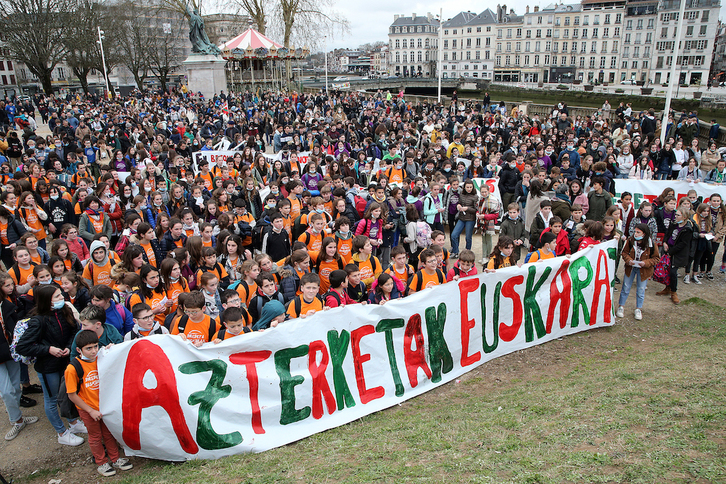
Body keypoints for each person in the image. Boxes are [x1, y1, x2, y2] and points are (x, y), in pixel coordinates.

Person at [15, 284, 86, 446]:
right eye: (57, 297)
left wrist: (69, 347)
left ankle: (73, 422)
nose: (62, 298)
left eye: (61, 295)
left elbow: (75, 330)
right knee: (52, 399)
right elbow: (23, 347)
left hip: (65, 362)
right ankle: (61, 432)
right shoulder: (38, 321)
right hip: (48, 367)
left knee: (68, 393)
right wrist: (48, 349)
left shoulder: (64, 311)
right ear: (47, 301)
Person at [65, 329, 133, 477]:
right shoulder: (72, 368)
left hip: (104, 405)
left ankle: (115, 459)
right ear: (78, 350)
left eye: (95, 346)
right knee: (95, 436)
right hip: (88, 409)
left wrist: (109, 350)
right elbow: (72, 395)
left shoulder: (100, 357)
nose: (93, 351)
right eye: (88, 348)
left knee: (108, 433)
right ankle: (101, 462)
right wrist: (90, 411)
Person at [0, 278, 39, 441]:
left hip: (9, 353)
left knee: (15, 388)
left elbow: (15, 328)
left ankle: (19, 418)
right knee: (7, 391)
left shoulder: (6, 306)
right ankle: (16, 420)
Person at [616, 224, 660, 321]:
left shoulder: (651, 244)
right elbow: (624, 253)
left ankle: (638, 309)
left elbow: (656, 258)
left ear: (644, 234)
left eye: (638, 232)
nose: (635, 234)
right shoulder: (630, 241)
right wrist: (629, 260)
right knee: (626, 287)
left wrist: (646, 263)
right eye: (635, 231)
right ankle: (621, 306)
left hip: (644, 270)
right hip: (631, 268)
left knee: (641, 289)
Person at [658, 208, 694, 305]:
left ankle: (673, 292)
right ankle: (667, 287)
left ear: (684, 217)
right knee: (667, 270)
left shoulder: (687, 229)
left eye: (678, 215)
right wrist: (665, 242)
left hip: (677, 253)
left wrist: (671, 252)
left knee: (673, 272)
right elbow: (668, 234)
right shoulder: (674, 224)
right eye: (676, 215)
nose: (676, 217)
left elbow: (683, 244)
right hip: (668, 249)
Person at [449, 179, 479, 257]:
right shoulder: (461, 195)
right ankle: (455, 251)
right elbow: (459, 203)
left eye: (470, 187)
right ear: (464, 187)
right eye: (467, 187)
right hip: (461, 218)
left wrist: (467, 209)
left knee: (468, 237)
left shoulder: (475, 197)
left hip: (470, 219)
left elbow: (476, 209)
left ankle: (467, 252)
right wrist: (458, 205)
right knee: (454, 235)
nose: (469, 189)